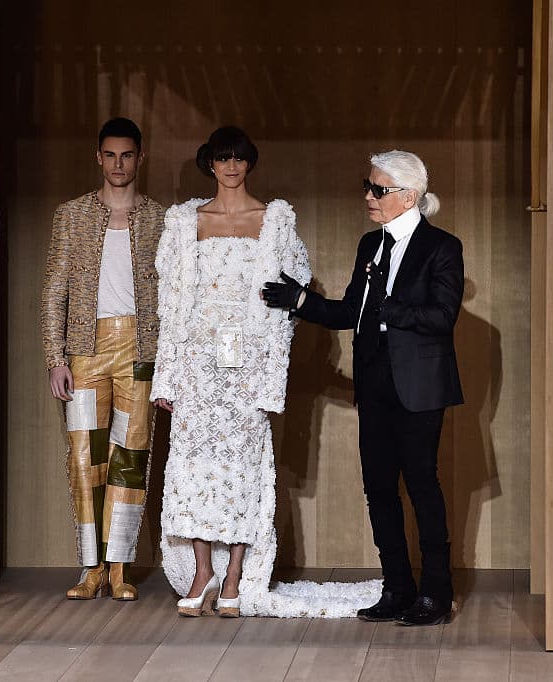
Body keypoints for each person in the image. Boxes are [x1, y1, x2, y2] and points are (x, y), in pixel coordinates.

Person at [151, 126, 380, 618]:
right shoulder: (185, 221)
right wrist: (166, 376)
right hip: (196, 363)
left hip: (247, 363)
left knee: (243, 469)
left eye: (239, 158)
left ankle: (235, 574)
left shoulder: (274, 221)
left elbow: (290, 300)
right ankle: (202, 572)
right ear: (210, 163)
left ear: (250, 163)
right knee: (193, 468)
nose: (231, 167)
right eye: (222, 158)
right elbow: (169, 303)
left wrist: (270, 370)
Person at [263, 150, 464, 626]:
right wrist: (301, 300)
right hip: (374, 384)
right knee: (378, 488)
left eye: (379, 189)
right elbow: (351, 311)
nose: (369, 197)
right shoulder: (369, 245)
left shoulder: (442, 247)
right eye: (368, 187)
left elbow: (442, 316)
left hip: (419, 387)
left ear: (409, 196)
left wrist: (388, 308)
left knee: (422, 485)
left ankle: (436, 594)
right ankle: (396, 588)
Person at [40, 117, 165, 600]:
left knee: (130, 457)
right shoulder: (71, 215)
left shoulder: (159, 219)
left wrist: (170, 364)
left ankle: (118, 568)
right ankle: (90, 567)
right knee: (83, 456)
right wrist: (55, 357)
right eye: (110, 155)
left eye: (127, 155)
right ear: (98, 157)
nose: (118, 164)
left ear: (140, 158)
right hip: (85, 348)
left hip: (139, 348)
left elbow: (173, 295)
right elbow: (54, 289)